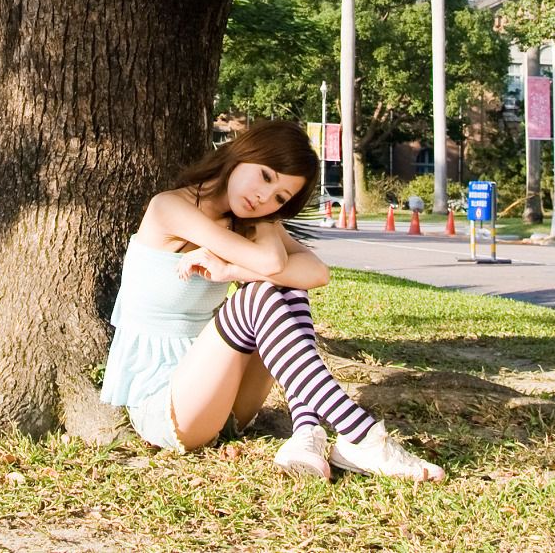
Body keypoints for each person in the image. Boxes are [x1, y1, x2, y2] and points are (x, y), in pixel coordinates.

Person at [99, 121, 444, 482]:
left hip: (227, 401)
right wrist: (250, 255)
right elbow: (271, 263)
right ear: (241, 153)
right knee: (264, 288)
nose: (264, 197)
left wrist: (236, 262)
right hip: (165, 405)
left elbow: (316, 272)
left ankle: (306, 433)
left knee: (285, 286)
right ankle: (361, 434)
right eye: (265, 176)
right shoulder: (170, 207)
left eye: (280, 197)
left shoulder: (251, 219)